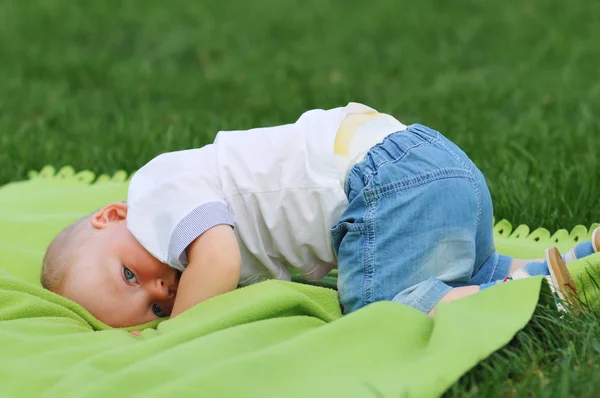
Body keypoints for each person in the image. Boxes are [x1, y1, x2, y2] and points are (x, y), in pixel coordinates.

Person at [41, 103, 590, 328]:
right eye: (158, 307)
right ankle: (574, 265)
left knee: (381, 310)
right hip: (430, 162)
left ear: (111, 216)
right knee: (472, 271)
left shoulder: (156, 191)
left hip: (382, 181)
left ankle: (532, 299)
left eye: (128, 275)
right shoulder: (168, 224)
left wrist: (173, 332)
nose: (161, 288)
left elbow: (219, 254)